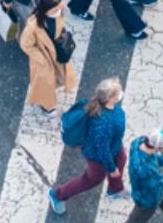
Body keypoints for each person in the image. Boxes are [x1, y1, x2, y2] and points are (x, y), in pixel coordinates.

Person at [48, 77, 129, 215]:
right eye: (118, 93)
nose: (121, 94)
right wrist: (111, 168)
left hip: (114, 146)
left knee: (121, 160)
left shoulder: (111, 108)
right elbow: (102, 150)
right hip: (97, 155)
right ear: (110, 98)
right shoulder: (103, 123)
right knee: (92, 179)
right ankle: (57, 195)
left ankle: (115, 189)